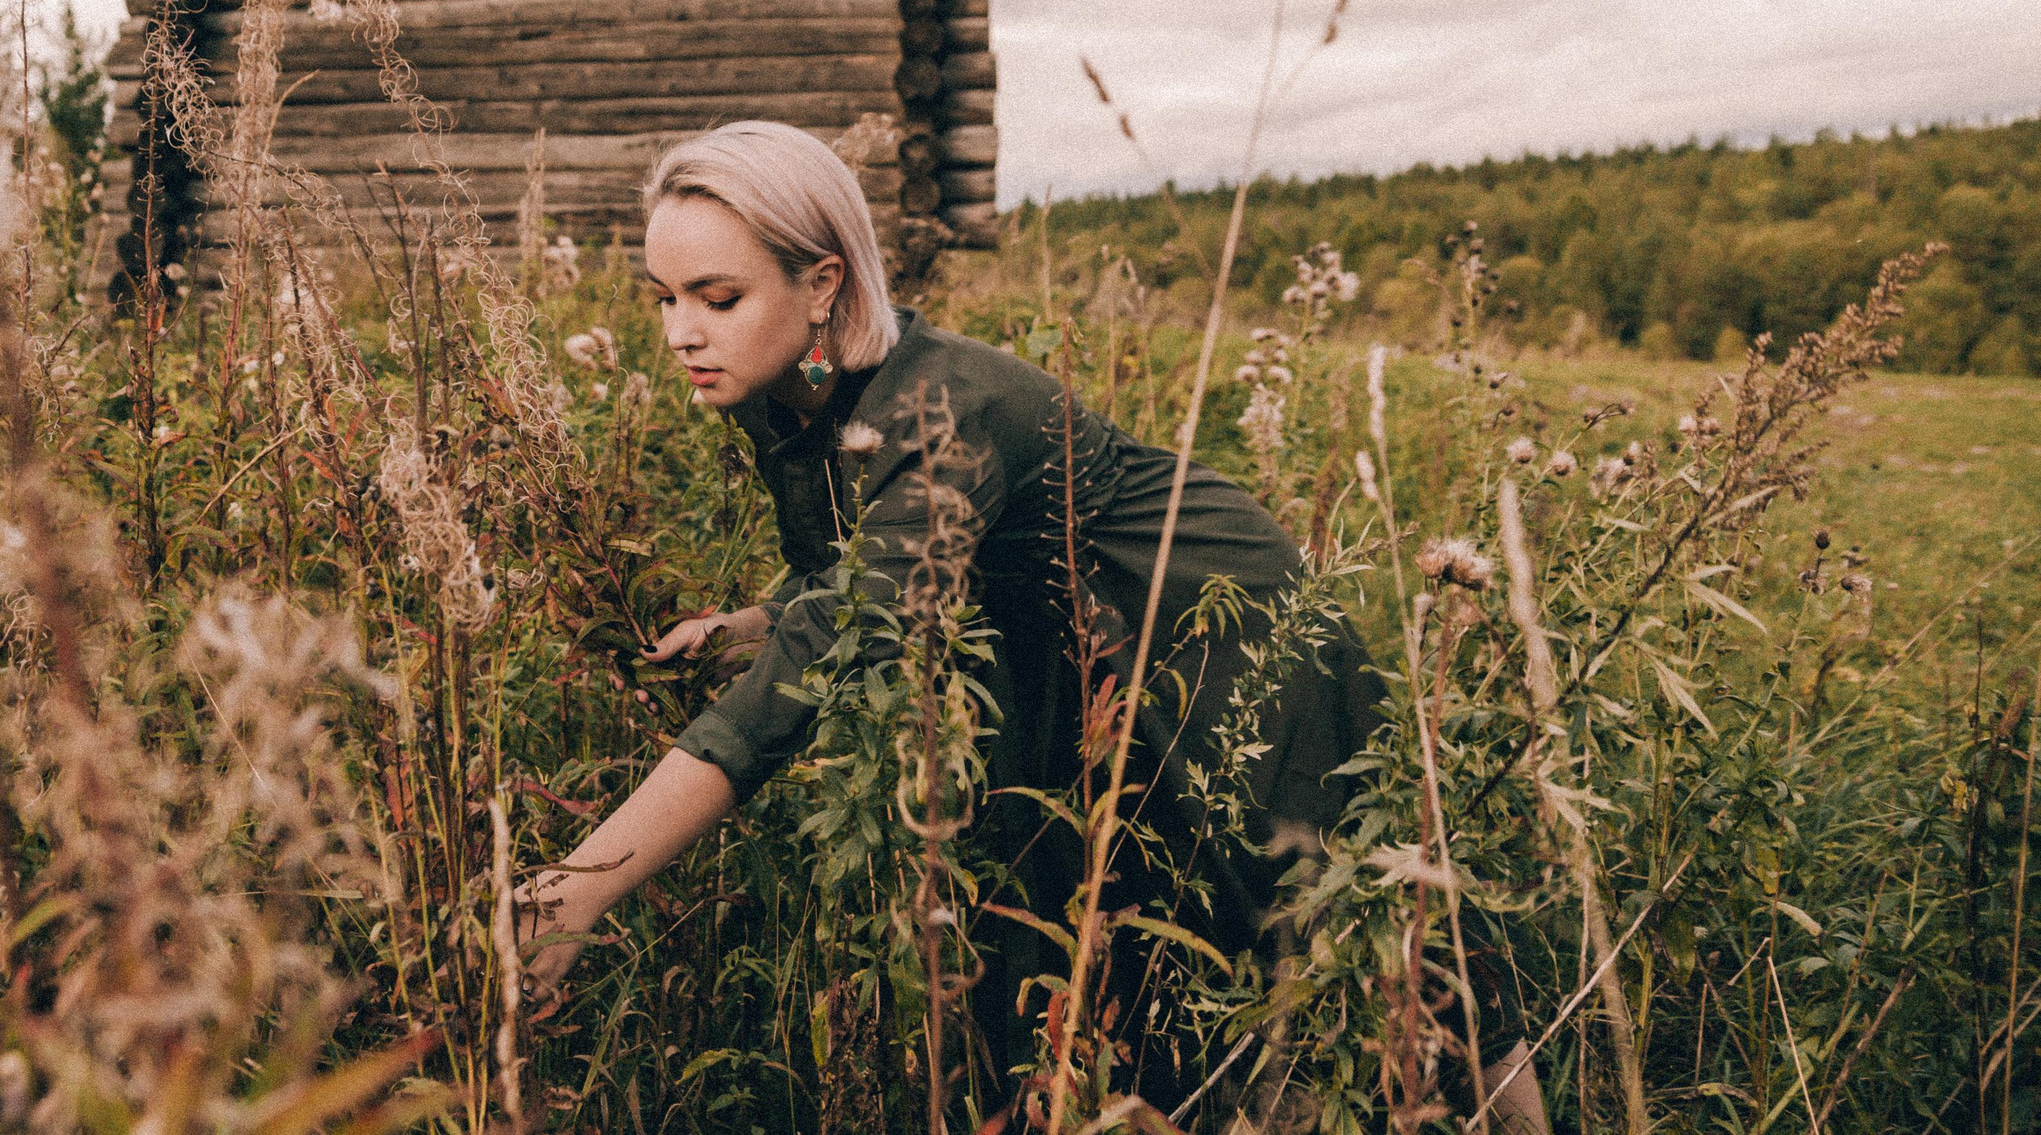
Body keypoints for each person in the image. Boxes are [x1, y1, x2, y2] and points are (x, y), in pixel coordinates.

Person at [519, 121, 1543, 1128]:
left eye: (718, 297)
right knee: (1097, 954)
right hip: (1060, 655)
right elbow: (858, 567)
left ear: (822, 284)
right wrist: (755, 619)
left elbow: (835, 649)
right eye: (664, 299)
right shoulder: (785, 385)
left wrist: (584, 883)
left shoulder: (943, 407)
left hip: (1211, 622)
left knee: (1340, 908)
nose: (681, 332)